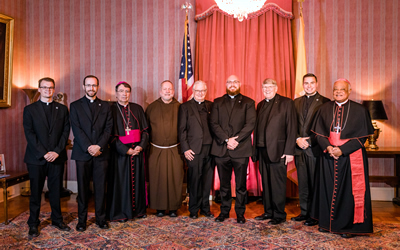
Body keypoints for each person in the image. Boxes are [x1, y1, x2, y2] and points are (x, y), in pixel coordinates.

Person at [311, 79, 374, 238]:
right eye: (335, 90)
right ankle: (327, 224)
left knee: (348, 193)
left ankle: (348, 227)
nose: (338, 92)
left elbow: (362, 138)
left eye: (342, 90)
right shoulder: (324, 108)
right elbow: (318, 134)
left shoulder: (360, 110)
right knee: (327, 189)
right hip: (328, 155)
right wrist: (329, 147)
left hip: (351, 157)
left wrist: (342, 150)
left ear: (349, 90)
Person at [23, 77, 71, 237]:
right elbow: (29, 134)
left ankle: (57, 220)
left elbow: (65, 132)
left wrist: (57, 151)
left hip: (57, 156)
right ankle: (33, 224)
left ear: (54, 89)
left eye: (50, 88)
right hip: (36, 158)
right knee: (36, 192)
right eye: (44, 87)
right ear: (39, 89)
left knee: (56, 191)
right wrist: (44, 153)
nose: (47, 90)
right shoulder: (29, 109)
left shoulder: (62, 109)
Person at [210, 75, 256, 224]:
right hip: (221, 149)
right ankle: (224, 212)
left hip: (240, 149)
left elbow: (250, 124)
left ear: (239, 84)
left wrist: (235, 140)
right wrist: (226, 139)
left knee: (241, 185)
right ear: (226, 84)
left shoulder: (248, 102)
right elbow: (214, 124)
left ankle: (240, 213)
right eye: (229, 82)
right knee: (224, 184)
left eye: (235, 82)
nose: (232, 84)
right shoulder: (217, 102)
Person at [70, 75, 113, 231]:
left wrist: (99, 146)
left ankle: (101, 219)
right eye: (88, 85)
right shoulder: (74, 106)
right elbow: (76, 129)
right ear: (83, 87)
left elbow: (108, 129)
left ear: (97, 87)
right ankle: (82, 220)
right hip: (82, 153)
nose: (91, 88)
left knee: (101, 188)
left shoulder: (106, 106)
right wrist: (89, 146)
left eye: (94, 85)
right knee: (82, 189)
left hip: (101, 153)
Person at [253, 78, 297, 225]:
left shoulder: (286, 103)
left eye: (270, 87)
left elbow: (292, 128)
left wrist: (289, 151)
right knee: (266, 183)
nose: (267, 89)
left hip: (279, 151)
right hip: (262, 151)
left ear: (276, 88)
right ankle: (268, 211)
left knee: (277, 184)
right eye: (264, 87)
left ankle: (279, 215)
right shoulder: (260, 105)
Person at [107, 82, 149, 222]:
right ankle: (121, 213)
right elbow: (110, 135)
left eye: (127, 91)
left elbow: (146, 131)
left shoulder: (137, 108)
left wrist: (140, 147)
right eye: (121, 91)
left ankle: (138, 211)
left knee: (137, 182)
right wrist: (126, 150)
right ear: (116, 93)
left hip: (137, 153)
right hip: (120, 155)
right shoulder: (111, 110)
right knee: (121, 183)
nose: (124, 94)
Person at [292, 73, 330, 226]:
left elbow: (326, 127)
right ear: (303, 84)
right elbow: (291, 125)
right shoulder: (295, 102)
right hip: (299, 148)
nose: (309, 86)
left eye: (311, 83)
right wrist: (297, 139)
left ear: (317, 83)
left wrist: (310, 141)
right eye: (306, 83)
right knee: (303, 183)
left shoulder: (325, 102)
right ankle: (304, 212)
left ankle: (315, 215)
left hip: (315, 149)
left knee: (315, 183)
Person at [146, 80, 184, 217]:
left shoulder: (180, 107)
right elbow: (146, 131)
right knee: (158, 179)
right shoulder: (151, 108)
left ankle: (173, 208)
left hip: (175, 149)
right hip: (156, 149)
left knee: (175, 178)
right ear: (160, 91)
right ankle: (159, 208)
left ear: (173, 91)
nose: (168, 91)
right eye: (165, 89)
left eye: (170, 89)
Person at [178, 80, 214, 219]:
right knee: (194, 181)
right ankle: (193, 210)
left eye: (203, 91)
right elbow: (182, 130)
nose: (200, 93)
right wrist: (186, 149)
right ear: (193, 92)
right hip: (193, 151)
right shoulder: (185, 107)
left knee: (206, 181)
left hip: (210, 150)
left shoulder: (211, 105)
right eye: (197, 91)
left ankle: (205, 208)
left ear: (206, 91)